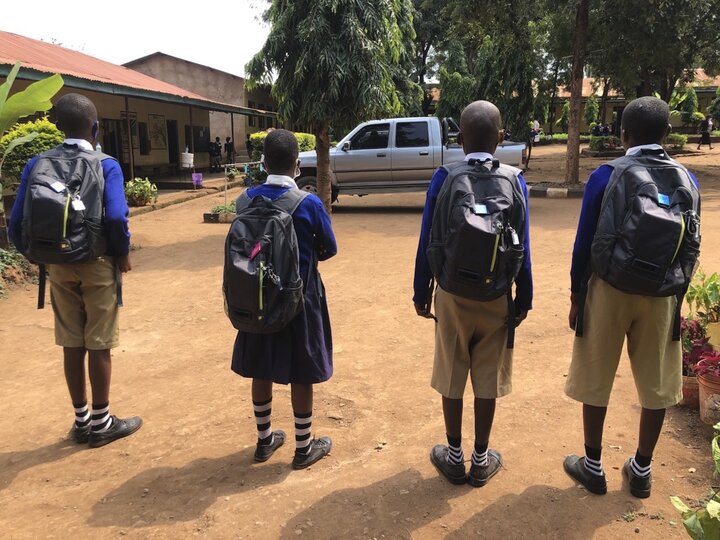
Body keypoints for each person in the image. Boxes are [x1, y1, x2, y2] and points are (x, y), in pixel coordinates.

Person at [564, 96, 701, 498]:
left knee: (596, 374)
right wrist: (677, 296)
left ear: (622, 134)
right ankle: (641, 469)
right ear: (667, 133)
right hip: (662, 293)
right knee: (656, 383)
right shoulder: (686, 179)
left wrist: (576, 295)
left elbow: (584, 242)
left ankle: (592, 466)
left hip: (609, 288)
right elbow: (691, 243)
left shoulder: (607, 174)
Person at [9, 93, 141, 448]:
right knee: (99, 342)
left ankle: (81, 421)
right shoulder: (106, 164)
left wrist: (37, 254)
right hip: (96, 262)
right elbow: (115, 216)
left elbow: (16, 221)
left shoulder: (37, 164)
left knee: (71, 341)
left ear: (58, 127)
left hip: (57, 264)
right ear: (95, 128)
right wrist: (122, 252)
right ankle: (102, 423)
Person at [413, 100, 533, 487]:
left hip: (450, 291)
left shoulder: (444, 177)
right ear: (501, 138)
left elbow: (427, 238)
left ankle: (453, 456)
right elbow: (523, 244)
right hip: (497, 294)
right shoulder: (515, 180)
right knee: (486, 377)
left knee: (451, 371)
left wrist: (421, 290)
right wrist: (524, 295)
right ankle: (482, 458)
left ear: (459, 139)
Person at [231, 129, 338, 469]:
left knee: (259, 366)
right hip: (299, 301)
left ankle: (264, 441)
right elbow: (330, 248)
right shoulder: (308, 203)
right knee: (301, 371)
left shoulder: (244, 201)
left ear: (263, 163)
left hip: (255, 296)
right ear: (296, 165)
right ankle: (304, 447)